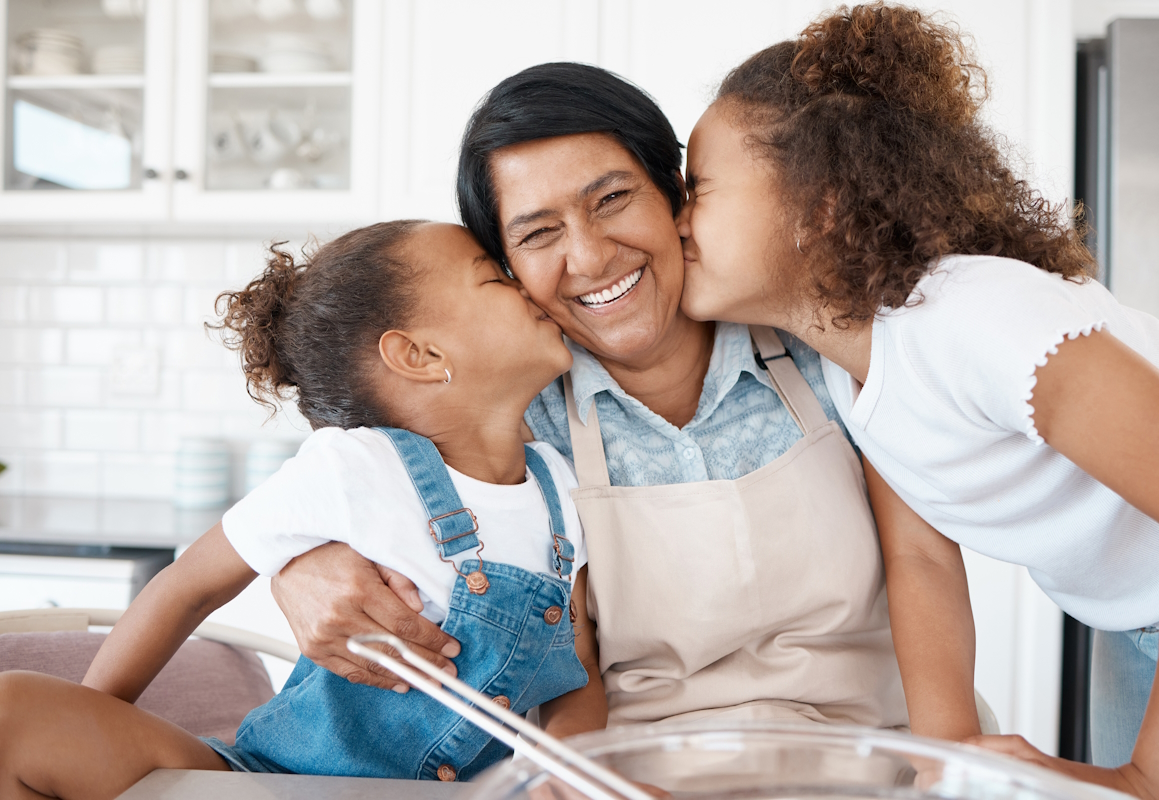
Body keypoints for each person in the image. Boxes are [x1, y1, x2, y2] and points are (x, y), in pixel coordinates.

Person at [272, 63, 908, 730]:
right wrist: (298, 560)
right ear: (509, 270)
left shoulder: (818, 343)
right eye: (538, 233)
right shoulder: (513, 420)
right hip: (641, 776)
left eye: (610, 200)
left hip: (868, 762)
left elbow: (924, 558)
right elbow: (352, 466)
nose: (591, 256)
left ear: (675, 194)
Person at [673, 4, 1159, 798]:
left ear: (818, 205)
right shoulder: (849, 366)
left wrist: (1155, 777)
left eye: (697, 188)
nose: (675, 222)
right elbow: (919, 559)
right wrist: (941, 762)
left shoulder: (972, 316)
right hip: (1142, 621)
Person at [0, 221, 603, 798]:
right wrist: (96, 720)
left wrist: (568, 779)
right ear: (418, 354)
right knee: (14, 712)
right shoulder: (353, 467)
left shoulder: (559, 490)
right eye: (494, 278)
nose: (527, 284)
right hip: (262, 782)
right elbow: (186, 587)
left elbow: (577, 677)